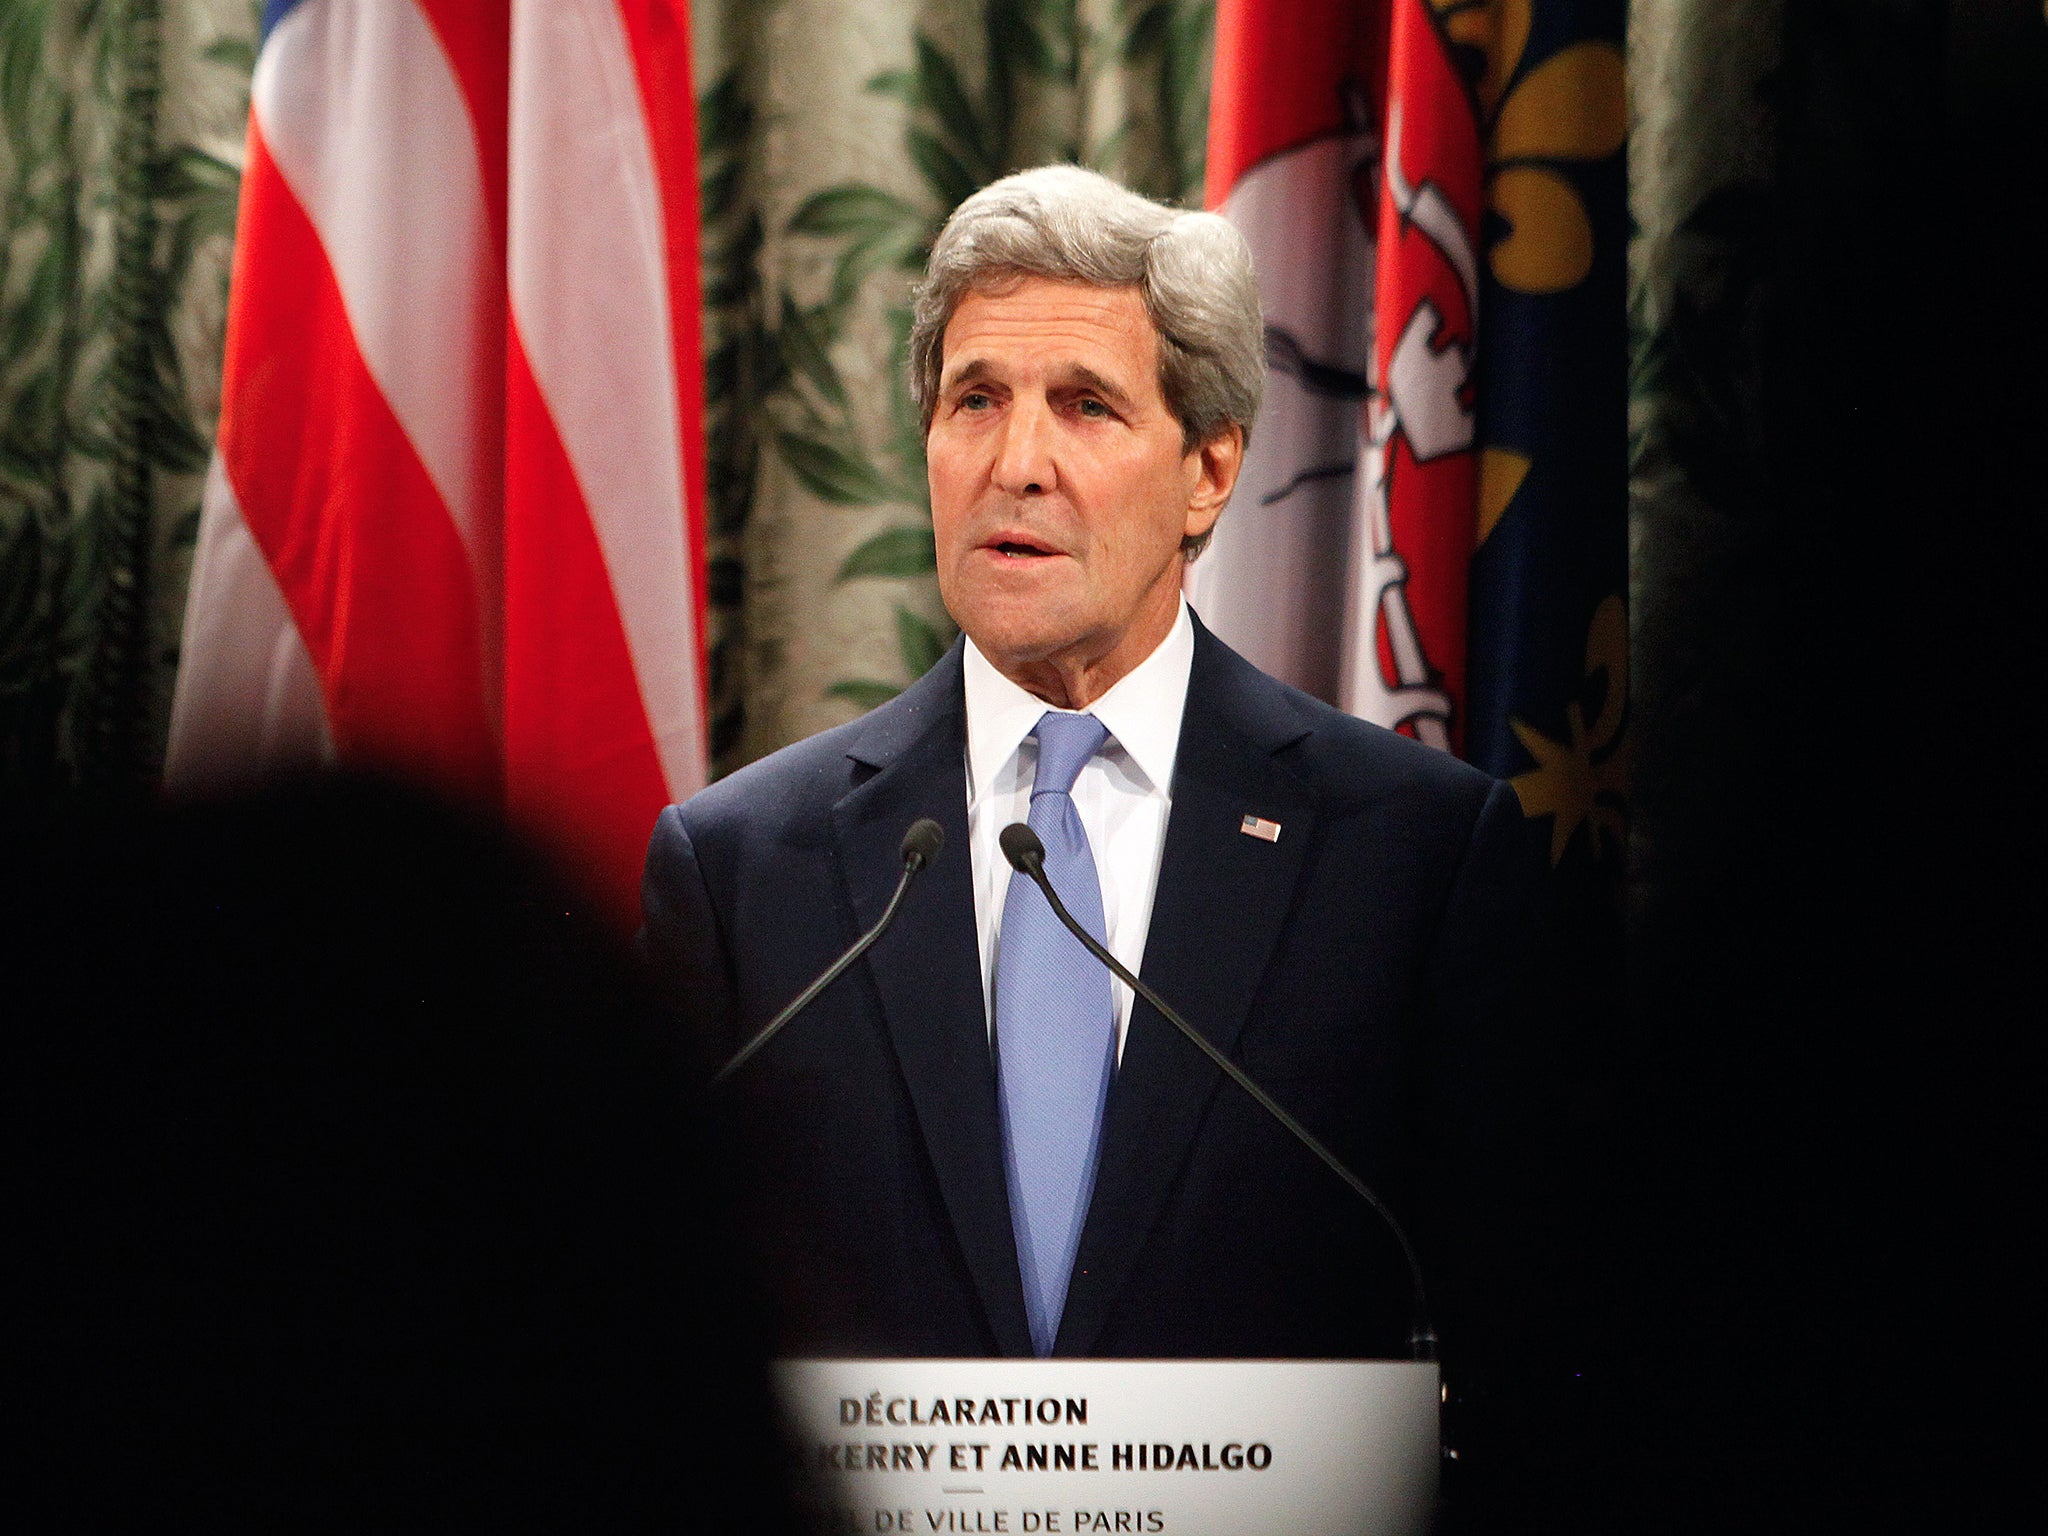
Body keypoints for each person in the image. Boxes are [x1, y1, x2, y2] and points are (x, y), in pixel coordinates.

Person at [644, 166, 1548, 1368]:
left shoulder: (1413, 857)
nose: (1016, 462)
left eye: (1084, 406)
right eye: (974, 400)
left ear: (1208, 472)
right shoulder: (741, 873)